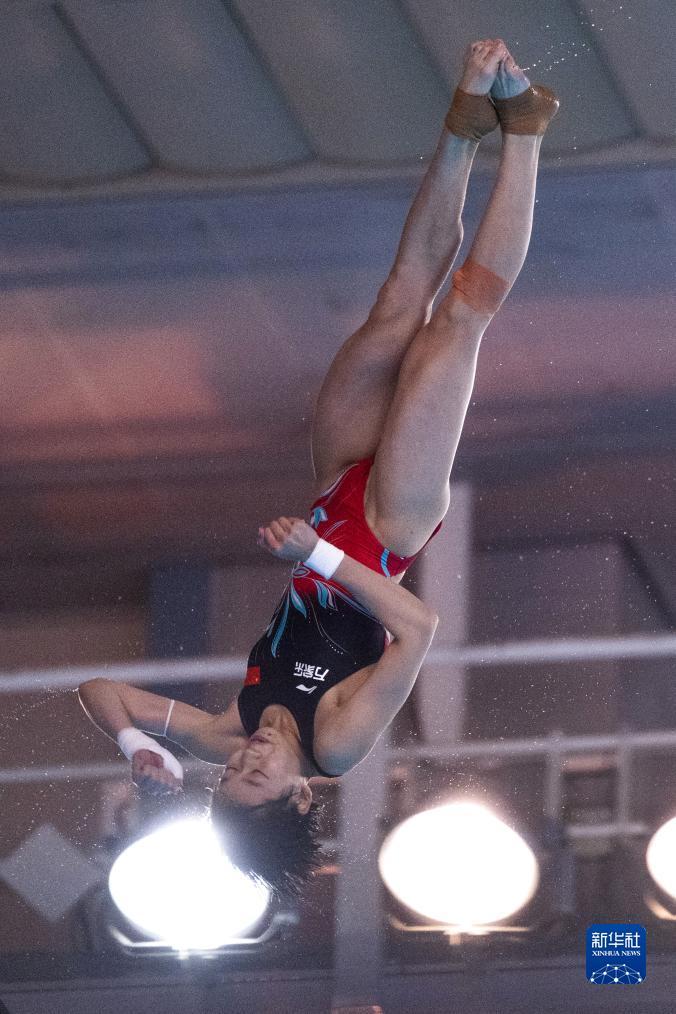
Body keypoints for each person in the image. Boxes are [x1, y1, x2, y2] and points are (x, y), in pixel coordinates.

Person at [78, 40, 558, 897]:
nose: (249, 761)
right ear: (301, 795)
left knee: (397, 300)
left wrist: (138, 743)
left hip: (332, 492)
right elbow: (417, 629)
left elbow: (100, 686)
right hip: (386, 526)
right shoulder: (337, 743)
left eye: (233, 776)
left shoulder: (223, 733)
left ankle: (465, 122)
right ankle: (524, 131)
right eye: (260, 779)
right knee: (460, 317)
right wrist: (320, 555)